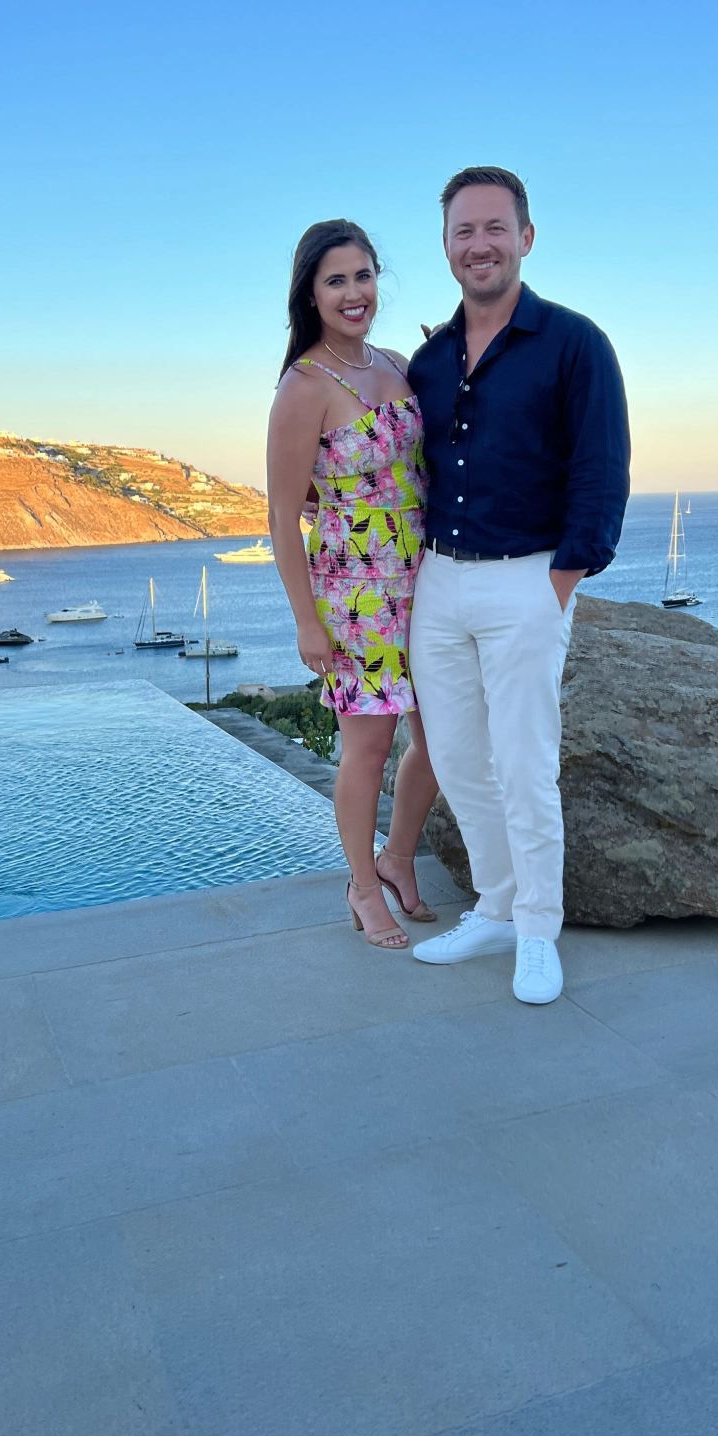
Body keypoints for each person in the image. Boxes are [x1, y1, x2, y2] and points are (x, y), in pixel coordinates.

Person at [408, 167, 630, 1003]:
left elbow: (601, 473)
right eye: (464, 232)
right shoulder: (429, 361)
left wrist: (561, 582)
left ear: (525, 238)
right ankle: (497, 910)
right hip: (440, 582)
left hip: (528, 581)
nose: (480, 245)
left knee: (526, 765)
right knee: (461, 761)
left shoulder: (575, 343)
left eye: (494, 228)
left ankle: (540, 928)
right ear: (448, 248)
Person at [267, 220, 441, 949]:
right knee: (366, 749)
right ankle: (361, 886)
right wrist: (308, 623)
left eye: (363, 276)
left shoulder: (399, 363)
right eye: (335, 280)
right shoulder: (303, 388)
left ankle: (397, 857)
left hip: (429, 582)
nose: (353, 292)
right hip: (357, 598)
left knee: (441, 739)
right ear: (311, 293)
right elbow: (281, 517)